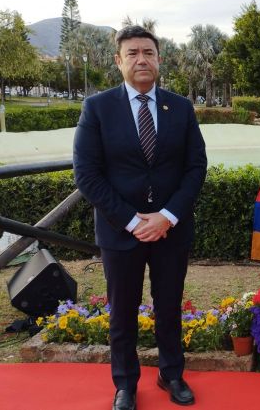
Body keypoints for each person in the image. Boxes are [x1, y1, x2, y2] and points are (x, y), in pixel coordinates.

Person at [74, 25, 207, 410]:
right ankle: (126, 385)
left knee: (169, 307)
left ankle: (171, 374)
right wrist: (133, 221)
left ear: (159, 59)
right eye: (132, 53)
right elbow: (87, 175)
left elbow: (196, 167)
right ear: (118, 61)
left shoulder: (180, 108)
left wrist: (166, 216)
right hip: (120, 233)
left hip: (171, 231)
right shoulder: (97, 109)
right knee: (123, 314)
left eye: (148, 52)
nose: (141, 59)